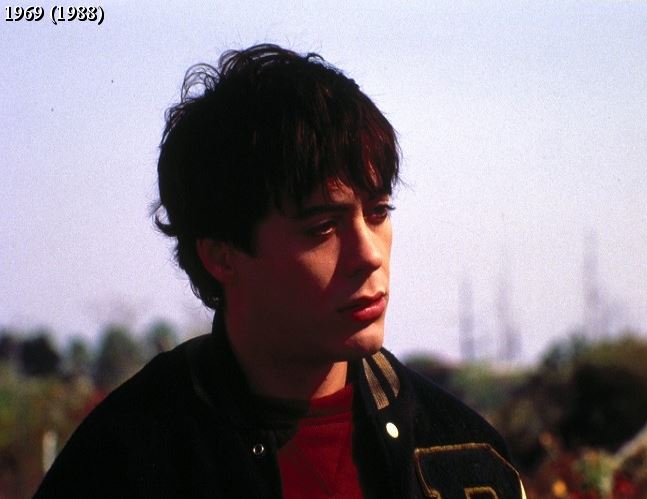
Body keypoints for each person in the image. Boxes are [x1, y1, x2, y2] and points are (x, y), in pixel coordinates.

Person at [34, 44, 525, 498]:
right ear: (221, 255)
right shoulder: (123, 463)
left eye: (378, 213)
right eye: (322, 228)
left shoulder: (467, 459)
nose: (369, 254)